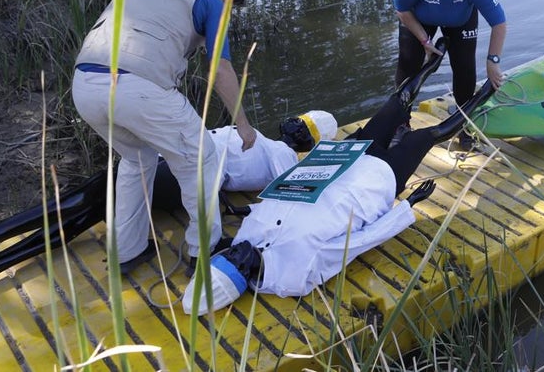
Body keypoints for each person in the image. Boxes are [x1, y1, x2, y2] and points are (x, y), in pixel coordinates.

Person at [182, 41, 497, 314]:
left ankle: (431, 65)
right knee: (432, 134)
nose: (236, 247)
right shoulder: (295, 275)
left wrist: (242, 210)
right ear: (241, 274)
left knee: (395, 105)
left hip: (340, 163)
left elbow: (275, 200)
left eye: (228, 253)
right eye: (235, 258)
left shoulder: (244, 241)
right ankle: (486, 93)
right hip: (372, 185)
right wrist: (405, 207)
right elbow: (358, 244)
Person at [0, 113, 339, 293]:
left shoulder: (281, 159)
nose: (291, 125)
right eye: (297, 120)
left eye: (302, 127)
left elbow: (243, 183)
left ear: (307, 141)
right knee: (88, 204)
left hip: (177, 175)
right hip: (170, 160)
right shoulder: (264, 141)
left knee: (90, 197)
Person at [71, 0, 258, 274]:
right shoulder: (209, 0)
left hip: (84, 86)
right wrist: (243, 124)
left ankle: (127, 252)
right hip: (134, 86)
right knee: (200, 156)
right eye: (230, 6)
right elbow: (220, 68)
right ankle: (206, 250)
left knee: (136, 160)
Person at [393, 0, 507, 107]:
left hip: (461, 20)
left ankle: (464, 122)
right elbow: (401, 8)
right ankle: (400, 121)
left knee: (465, 67)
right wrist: (424, 40)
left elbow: (499, 23)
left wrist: (493, 61)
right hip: (418, 19)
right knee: (408, 65)